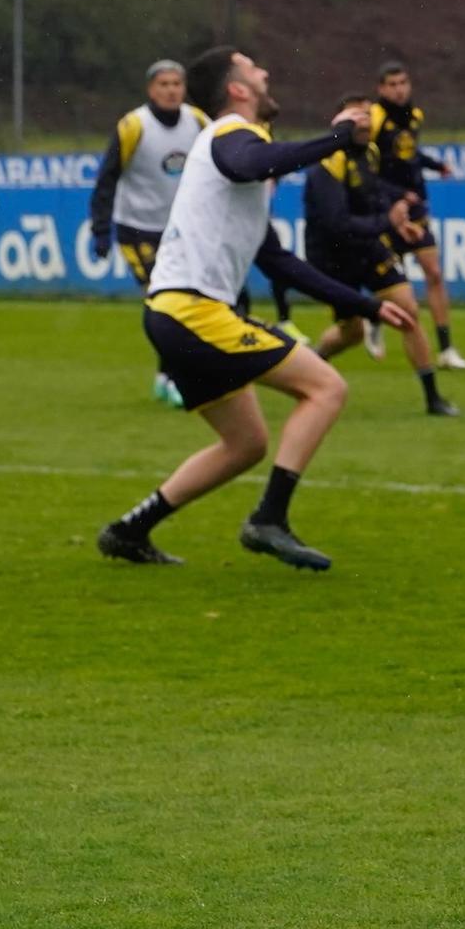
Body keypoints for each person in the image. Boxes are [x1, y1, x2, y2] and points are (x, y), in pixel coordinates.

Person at [96, 47, 414, 571]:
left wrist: (367, 307)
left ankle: (130, 530)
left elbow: (279, 261)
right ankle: (269, 519)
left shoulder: (236, 156)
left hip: (175, 313)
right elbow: (254, 161)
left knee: (245, 444)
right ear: (239, 91)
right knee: (326, 387)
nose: (266, 73)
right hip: (192, 312)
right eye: (254, 69)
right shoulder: (229, 136)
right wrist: (336, 136)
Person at [303, 95, 459, 417]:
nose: (364, 121)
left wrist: (399, 226)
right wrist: (385, 222)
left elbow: (373, 199)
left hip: (368, 248)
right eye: (355, 116)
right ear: (339, 123)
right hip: (334, 258)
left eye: (366, 115)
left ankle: (433, 398)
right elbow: (336, 224)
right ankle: (312, 360)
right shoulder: (327, 165)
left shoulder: (370, 153)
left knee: (407, 312)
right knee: (352, 333)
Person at [87, 60, 209, 407]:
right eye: (164, 84)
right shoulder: (133, 126)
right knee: (163, 301)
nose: (171, 90)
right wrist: (101, 229)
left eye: (177, 83)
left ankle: (165, 376)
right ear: (150, 89)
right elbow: (107, 177)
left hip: (182, 230)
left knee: (183, 303)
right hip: (138, 229)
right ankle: (175, 376)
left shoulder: (198, 122)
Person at [371, 60, 465, 369]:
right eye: (392, 84)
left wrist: (437, 166)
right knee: (395, 286)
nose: (399, 90)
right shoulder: (374, 119)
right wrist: (394, 195)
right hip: (387, 209)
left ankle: (446, 348)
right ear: (381, 89)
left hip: (416, 207)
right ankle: (373, 317)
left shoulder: (414, 116)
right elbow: (369, 166)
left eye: (403, 83)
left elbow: (409, 155)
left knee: (434, 273)